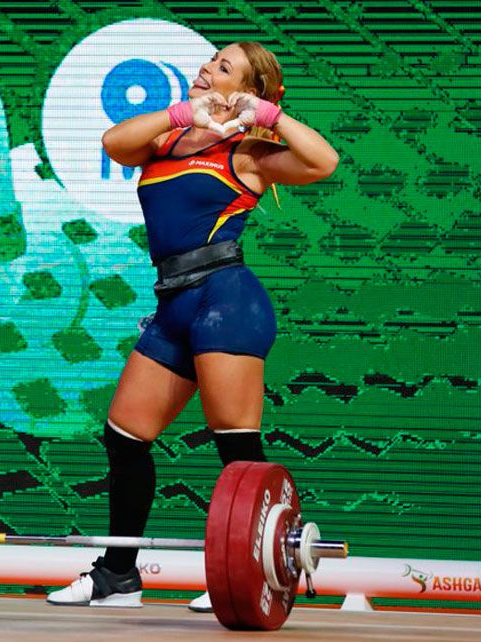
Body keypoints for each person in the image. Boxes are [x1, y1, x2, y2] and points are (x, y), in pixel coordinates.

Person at [47, 42, 338, 612]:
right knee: (125, 436)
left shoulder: (250, 154)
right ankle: (118, 575)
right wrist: (184, 114)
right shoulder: (167, 139)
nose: (207, 69)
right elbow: (114, 143)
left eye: (223, 67)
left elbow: (323, 162)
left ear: (248, 91)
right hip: (173, 304)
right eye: (209, 62)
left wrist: (269, 118)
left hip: (226, 299)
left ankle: (247, 573)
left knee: (236, 445)